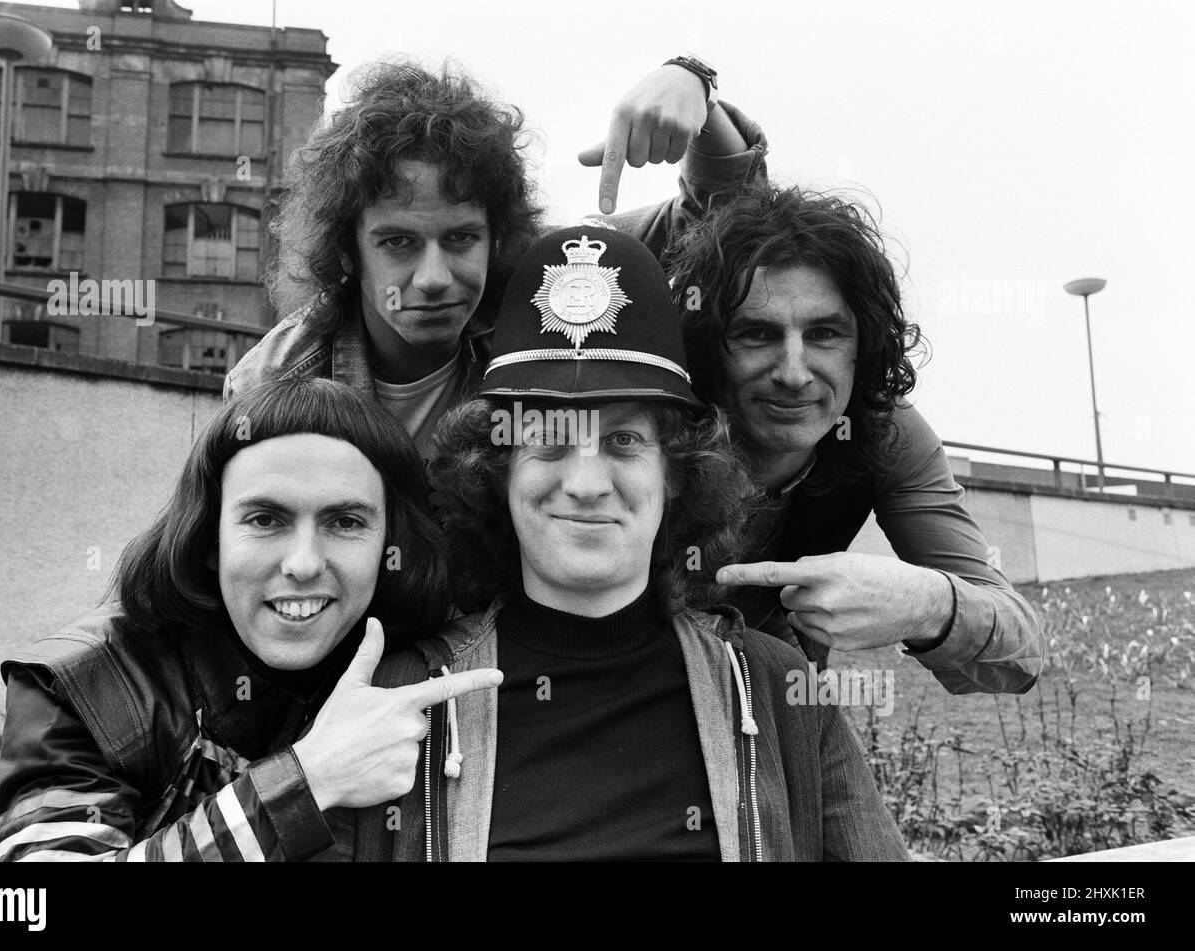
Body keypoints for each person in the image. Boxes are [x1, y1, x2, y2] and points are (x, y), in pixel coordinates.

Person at [330, 226, 909, 861]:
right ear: (496, 473)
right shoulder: (402, 699)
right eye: (549, 439)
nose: (584, 483)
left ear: (676, 472)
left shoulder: (777, 691)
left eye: (623, 441)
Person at [0, 378, 501, 862]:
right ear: (208, 537)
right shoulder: (85, 685)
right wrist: (307, 781)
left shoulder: (419, 664)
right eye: (265, 520)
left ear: (392, 544)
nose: (303, 563)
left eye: (345, 522)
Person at [223, 56, 767, 455]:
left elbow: (720, 223)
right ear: (347, 251)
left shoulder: (538, 283)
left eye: (460, 238)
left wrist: (694, 83)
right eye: (398, 242)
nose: (434, 279)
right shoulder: (273, 384)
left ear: (497, 236)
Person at [665, 185, 1044, 694]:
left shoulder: (888, 434)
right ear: (706, 347)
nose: (794, 374)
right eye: (756, 334)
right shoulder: (653, 424)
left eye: (824, 334)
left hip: (781, 703)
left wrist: (928, 605)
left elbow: (1021, 658)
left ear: (864, 347)